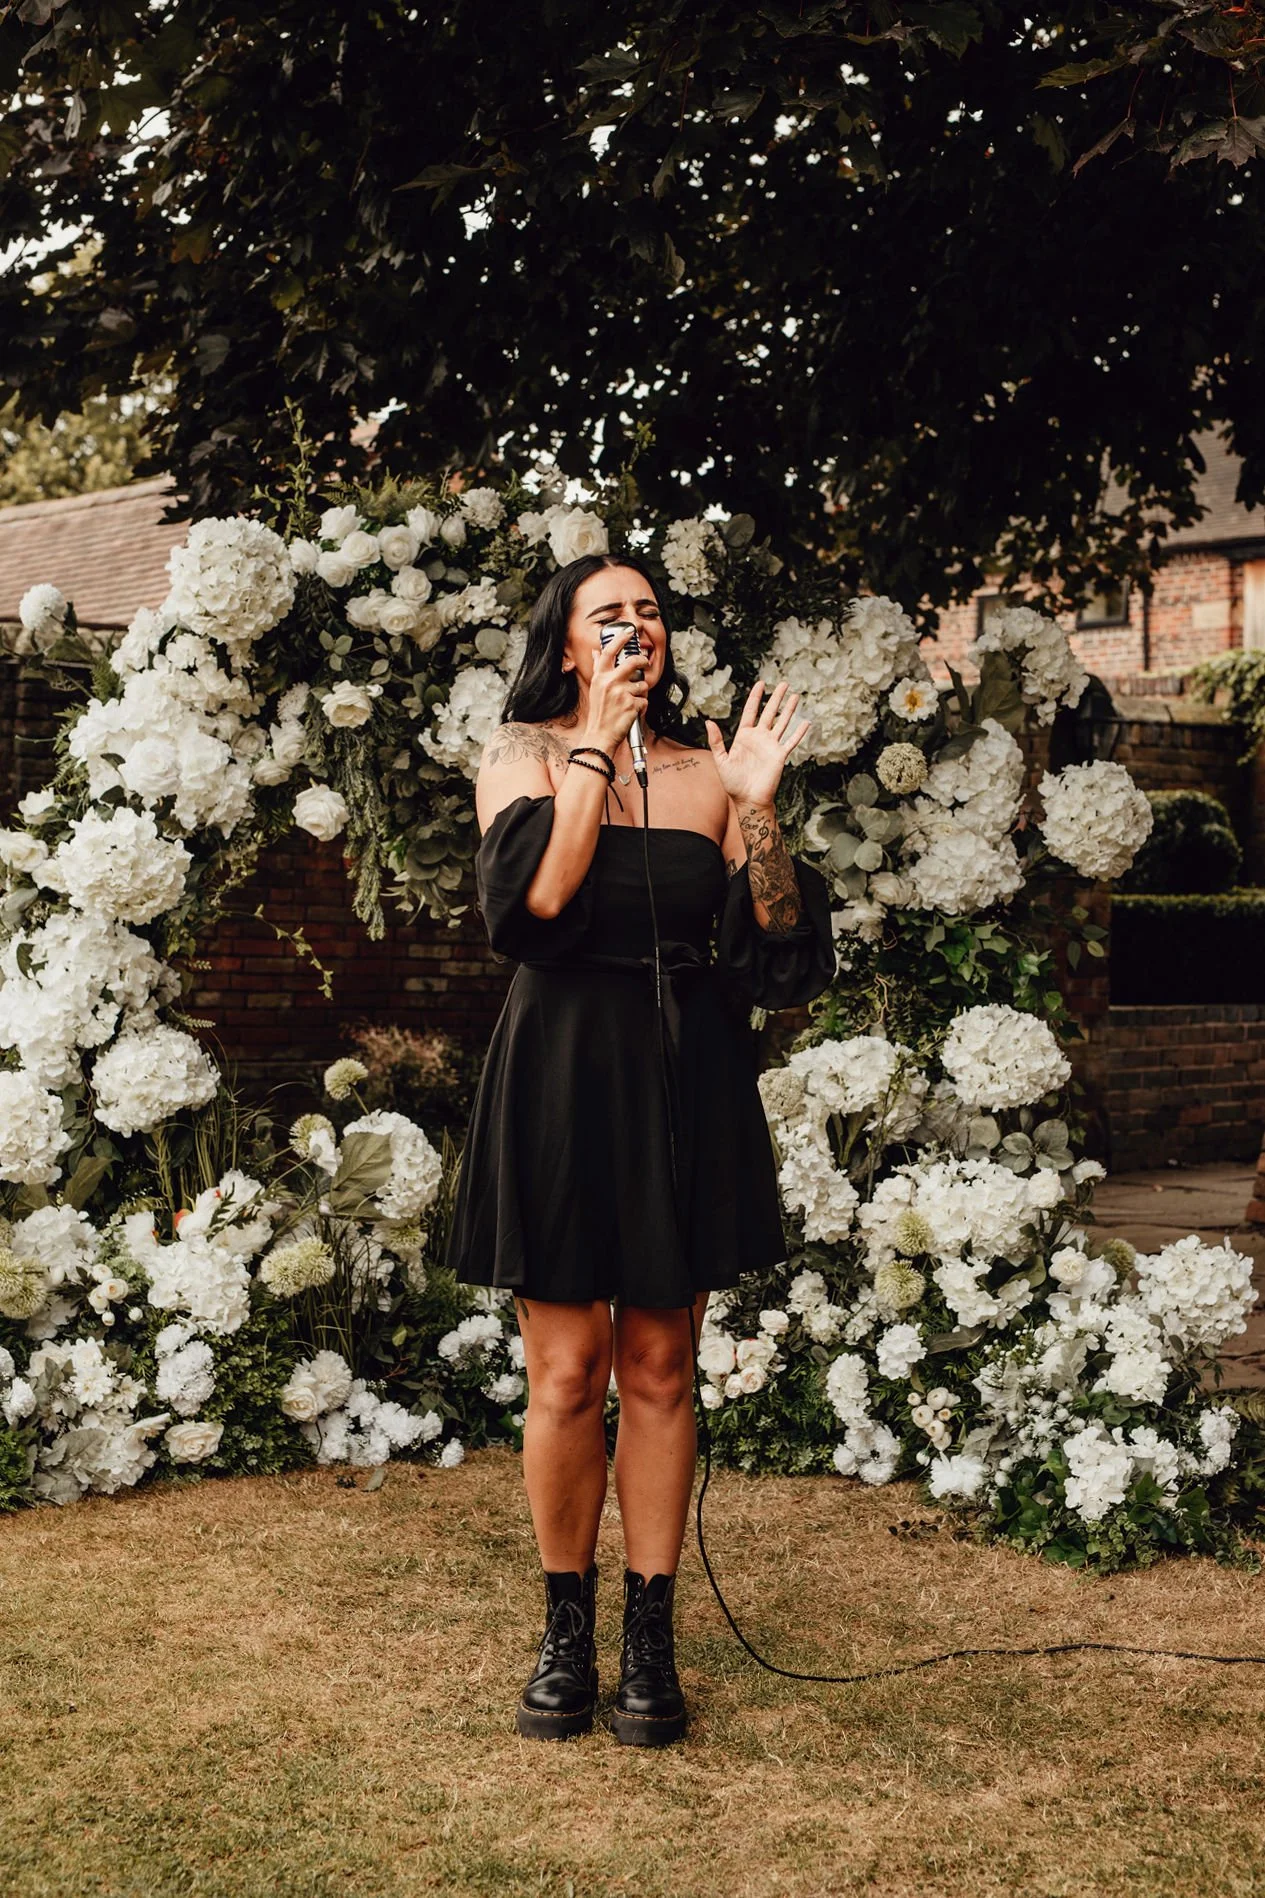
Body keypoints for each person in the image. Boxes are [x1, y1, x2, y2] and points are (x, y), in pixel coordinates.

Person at [444, 550, 836, 1746]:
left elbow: (779, 946)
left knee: (661, 1362)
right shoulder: (519, 754)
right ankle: (565, 1628)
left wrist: (755, 806)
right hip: (562, 1070)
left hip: (683, 1067)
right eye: (606, 613)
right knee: (566, 1370)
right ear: (564, 642)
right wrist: (593, 748)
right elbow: (538, 901)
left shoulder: (706, 768)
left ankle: (649, 1634)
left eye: (649, 611)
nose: (633, 628)